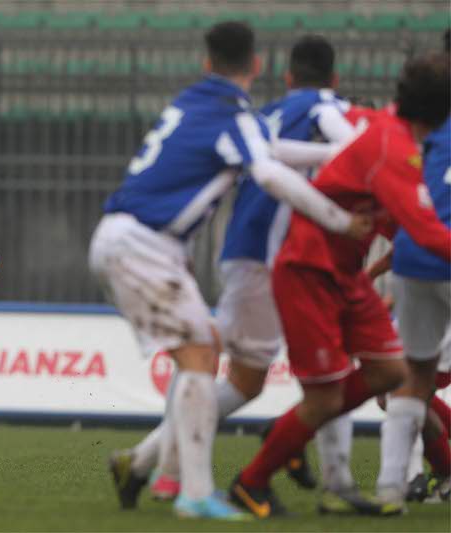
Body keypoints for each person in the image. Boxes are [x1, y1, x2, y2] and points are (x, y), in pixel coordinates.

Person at [89, 21, 370, 520]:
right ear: (258, 66)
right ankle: (192, 492)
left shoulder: (196, 103)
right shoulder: (234, 114)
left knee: (206, 353)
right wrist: (341, 219)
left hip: (136, 240)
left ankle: (147, 464)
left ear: (206, 63)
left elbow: (272, 152)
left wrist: (331, 156)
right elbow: (268, 172)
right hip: (144, 244)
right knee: (201, 356)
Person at [229, 53, 451, 518]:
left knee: (393, 373)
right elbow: (426, 232)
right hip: (309, 271)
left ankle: (299, 432)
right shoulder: (395, 149)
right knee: (329, 397)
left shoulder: (388, 128)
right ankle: (251, 481)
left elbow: (403, 223)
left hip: (345, 273)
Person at [375, 92, 451, 506]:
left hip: (416, 260)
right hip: (433, 254)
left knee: (408, 383)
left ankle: (393, 484)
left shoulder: (415, 131)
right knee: (410, 387)